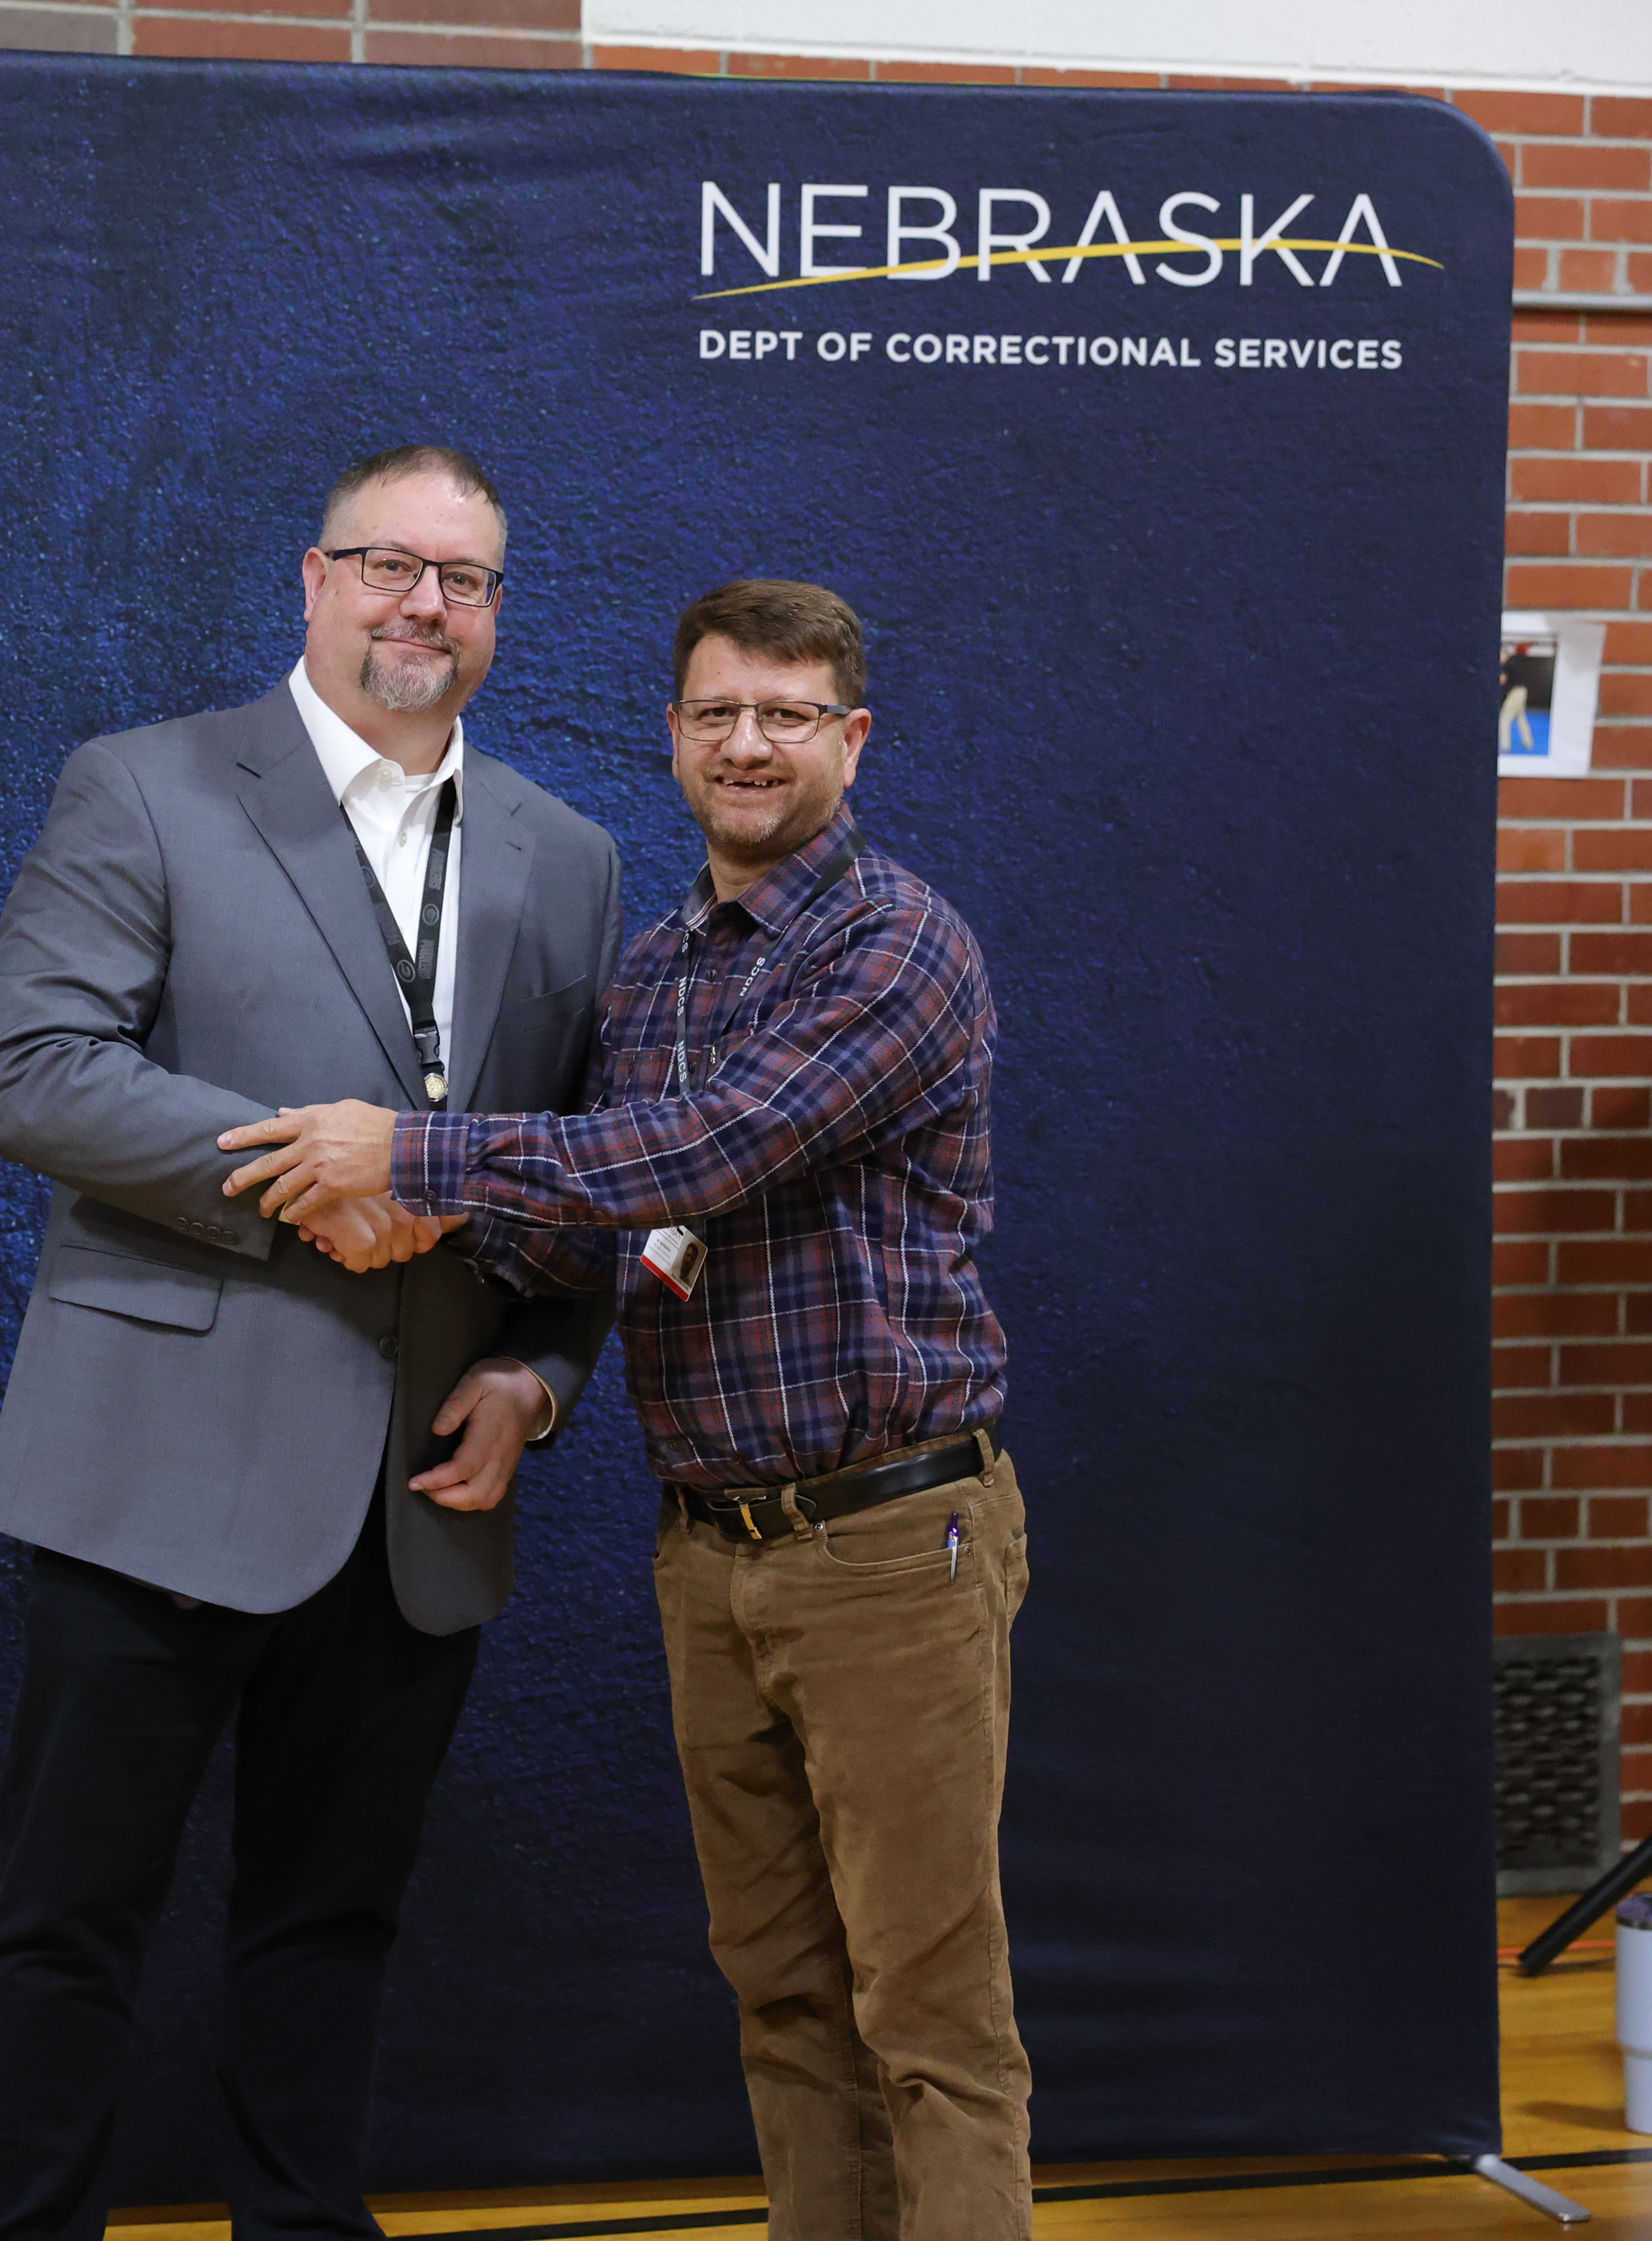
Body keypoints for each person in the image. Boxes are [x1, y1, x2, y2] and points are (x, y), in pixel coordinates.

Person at [219, 580, 1027, 2241]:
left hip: (889, 1543)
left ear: (853, 739)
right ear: (671, 736)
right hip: (711, 1552)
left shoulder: (899, 946)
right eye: (718, 712)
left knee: (928, 2016)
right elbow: (608, 1224)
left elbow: (702, 1153)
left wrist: (405, 1154)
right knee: (782, 1994)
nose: (749, 744)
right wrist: (490, 1325)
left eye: (787, 714)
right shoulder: (655, 971)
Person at [0, 445, 623, 2241]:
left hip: (416, 1507)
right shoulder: (145, 785)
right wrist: (305, 1183)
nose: (424, 604)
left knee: (333, 1932)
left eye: (463, 578)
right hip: (155, 1476)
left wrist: (543, 1373)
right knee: (65, 1929)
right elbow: (31, 1072)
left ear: (498, 612)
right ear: (312, 582)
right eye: (388, 564)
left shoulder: (570, 858)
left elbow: (588, 1168)